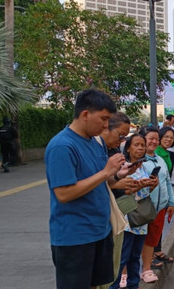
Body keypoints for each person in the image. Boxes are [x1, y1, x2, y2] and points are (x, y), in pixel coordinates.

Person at [45, 89, 132, 289]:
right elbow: (64, 194)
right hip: (75, 237)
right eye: (103, 119)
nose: (105, 125)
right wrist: (105, 172)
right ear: (85, 114)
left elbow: (102, 180)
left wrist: (116, 174)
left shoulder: (94, 143)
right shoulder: (62, 146)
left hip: (100, 231)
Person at [97, 112, 141, 289]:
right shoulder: (75, 147)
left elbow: (106, 181)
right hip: (98, 223)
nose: (121, 141)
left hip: (112, 217)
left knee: (115, 264)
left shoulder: (107, 150)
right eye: (121, 136)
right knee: (110, 269)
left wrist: (117, 176)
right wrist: (113, 177)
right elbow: (65, 193)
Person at [109, 134, 158, 289]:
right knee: (122, 257)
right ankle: (115, 286)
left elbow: (145, 192)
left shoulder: (142, 166)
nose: (140, 148)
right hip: (127, 218)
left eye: (142, 145)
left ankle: (133, 285)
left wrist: (152, 184)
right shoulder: (123, 167)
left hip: (140, 220)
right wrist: (142, 185)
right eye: (136, 145)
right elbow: (123, 191)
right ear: (128, 147)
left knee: (135, 257)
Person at [140, 127, 174, 284]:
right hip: (142, 208)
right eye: (150, 138)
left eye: (156, 139)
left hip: (160, 207)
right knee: (138, 240)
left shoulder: (160, 160)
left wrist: (171, 202)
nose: (154, 142)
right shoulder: (138, 160)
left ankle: (147, 268)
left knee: (152, 239)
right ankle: (130, 273)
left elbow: (167, 182)